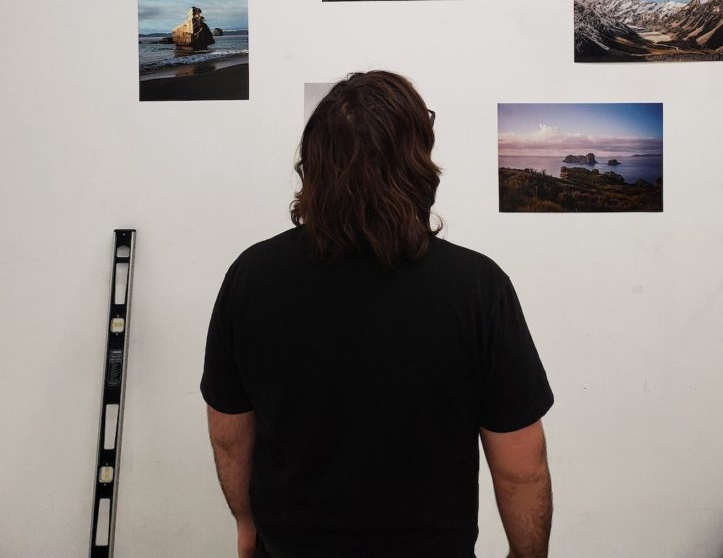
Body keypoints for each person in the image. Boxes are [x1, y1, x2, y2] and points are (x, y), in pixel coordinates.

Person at [201, 71, 554, 558]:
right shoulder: (478, 287)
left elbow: (229, 436)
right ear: (416, 162)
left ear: (314, 163)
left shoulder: (251, 277)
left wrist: (246, 524)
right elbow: (521, 468)